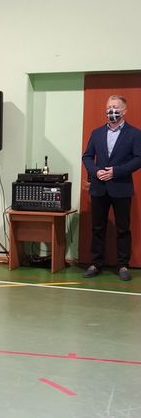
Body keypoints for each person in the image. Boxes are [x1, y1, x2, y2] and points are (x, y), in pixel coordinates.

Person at [82, 94, 141, 281]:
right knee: (97, 228)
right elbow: (87, 156)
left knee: (123, 228)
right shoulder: (97, 133)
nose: (111, 110)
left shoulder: (134, 134)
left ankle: (123, 265)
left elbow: (138, 159)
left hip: (121, 187)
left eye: (115, 107)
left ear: (124, 110)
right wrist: (95, 171)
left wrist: (116, 171)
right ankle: (96, 263)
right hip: (99, 188)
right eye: (109, 107)